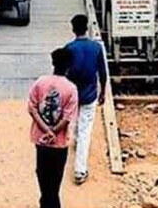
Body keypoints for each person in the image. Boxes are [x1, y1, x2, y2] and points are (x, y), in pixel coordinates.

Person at [27, 48, 78, 208]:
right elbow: (67, 118)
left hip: (40, 140)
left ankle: (45, 203)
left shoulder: (40, 82)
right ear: (69, 66)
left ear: (53, 63)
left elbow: (32, 108)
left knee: (42, 175)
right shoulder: (71, 89)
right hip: (58, 142)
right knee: (54, 182)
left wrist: (45, 130)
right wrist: (53, 132)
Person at [64, 14, 107, 184]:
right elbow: (102, 73)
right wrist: (103, 92)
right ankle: (80, 170)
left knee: (73, 122)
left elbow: (63, 72)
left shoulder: (68, 49)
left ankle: (73, 142)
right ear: (86, 28)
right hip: (90, 95)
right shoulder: (96, 48)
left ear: (73, 29)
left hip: (73, 95)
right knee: (85, 130)